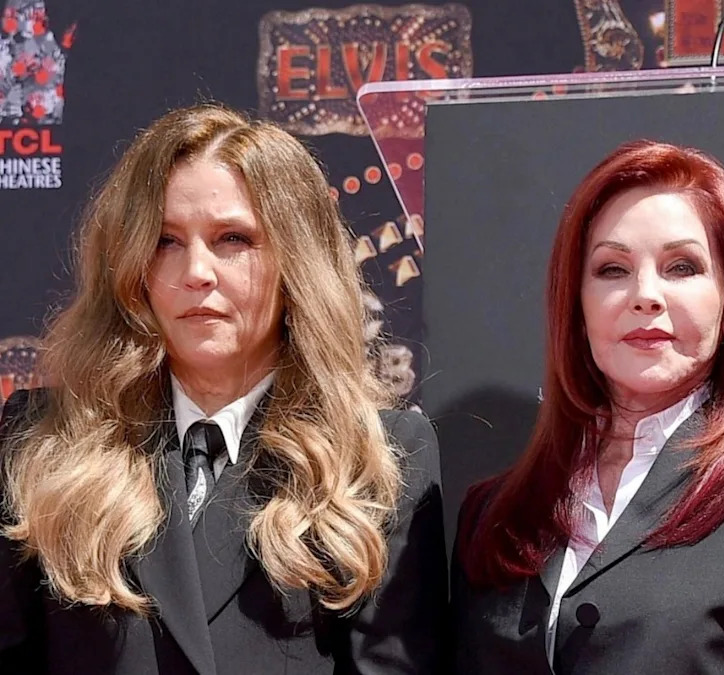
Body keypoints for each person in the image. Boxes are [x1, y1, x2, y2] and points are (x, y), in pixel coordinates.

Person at [0, 104, 446, 674]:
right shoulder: (45, 440)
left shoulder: (379, 456)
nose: (196, 272)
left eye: (232, 239)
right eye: (165, 241)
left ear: (297, 261)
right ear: (131, 266)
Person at [449, 139, 724, 674]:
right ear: (576, 307)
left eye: (681, 267)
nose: (645, 295)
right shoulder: (492, 513)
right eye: (612, 269)